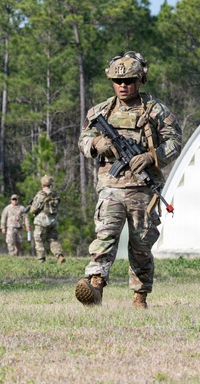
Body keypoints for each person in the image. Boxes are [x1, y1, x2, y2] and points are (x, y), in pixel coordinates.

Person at [75, 51, 183, 309]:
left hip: (143, 190)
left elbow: (175, 141)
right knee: (105, 236)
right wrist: (97, 143)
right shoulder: (100, 111)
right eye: (117, 81)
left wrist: (150, 157)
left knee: (141, 245)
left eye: (129, 81)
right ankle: (95, 285)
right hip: (110, 188)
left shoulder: (155, 110)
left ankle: (139, 296)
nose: (123, 86)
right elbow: (83, 140)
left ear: (140, 80)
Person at [28, 175, 65, 263]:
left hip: (41, 222)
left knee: (39, 240)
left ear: (42, 184)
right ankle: (59, 255)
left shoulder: (40, 194)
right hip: (52, 221)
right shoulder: (55, 195)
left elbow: (34, 210)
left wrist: (31, 206)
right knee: (52, 240)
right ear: (50, 184)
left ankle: (41, 260)